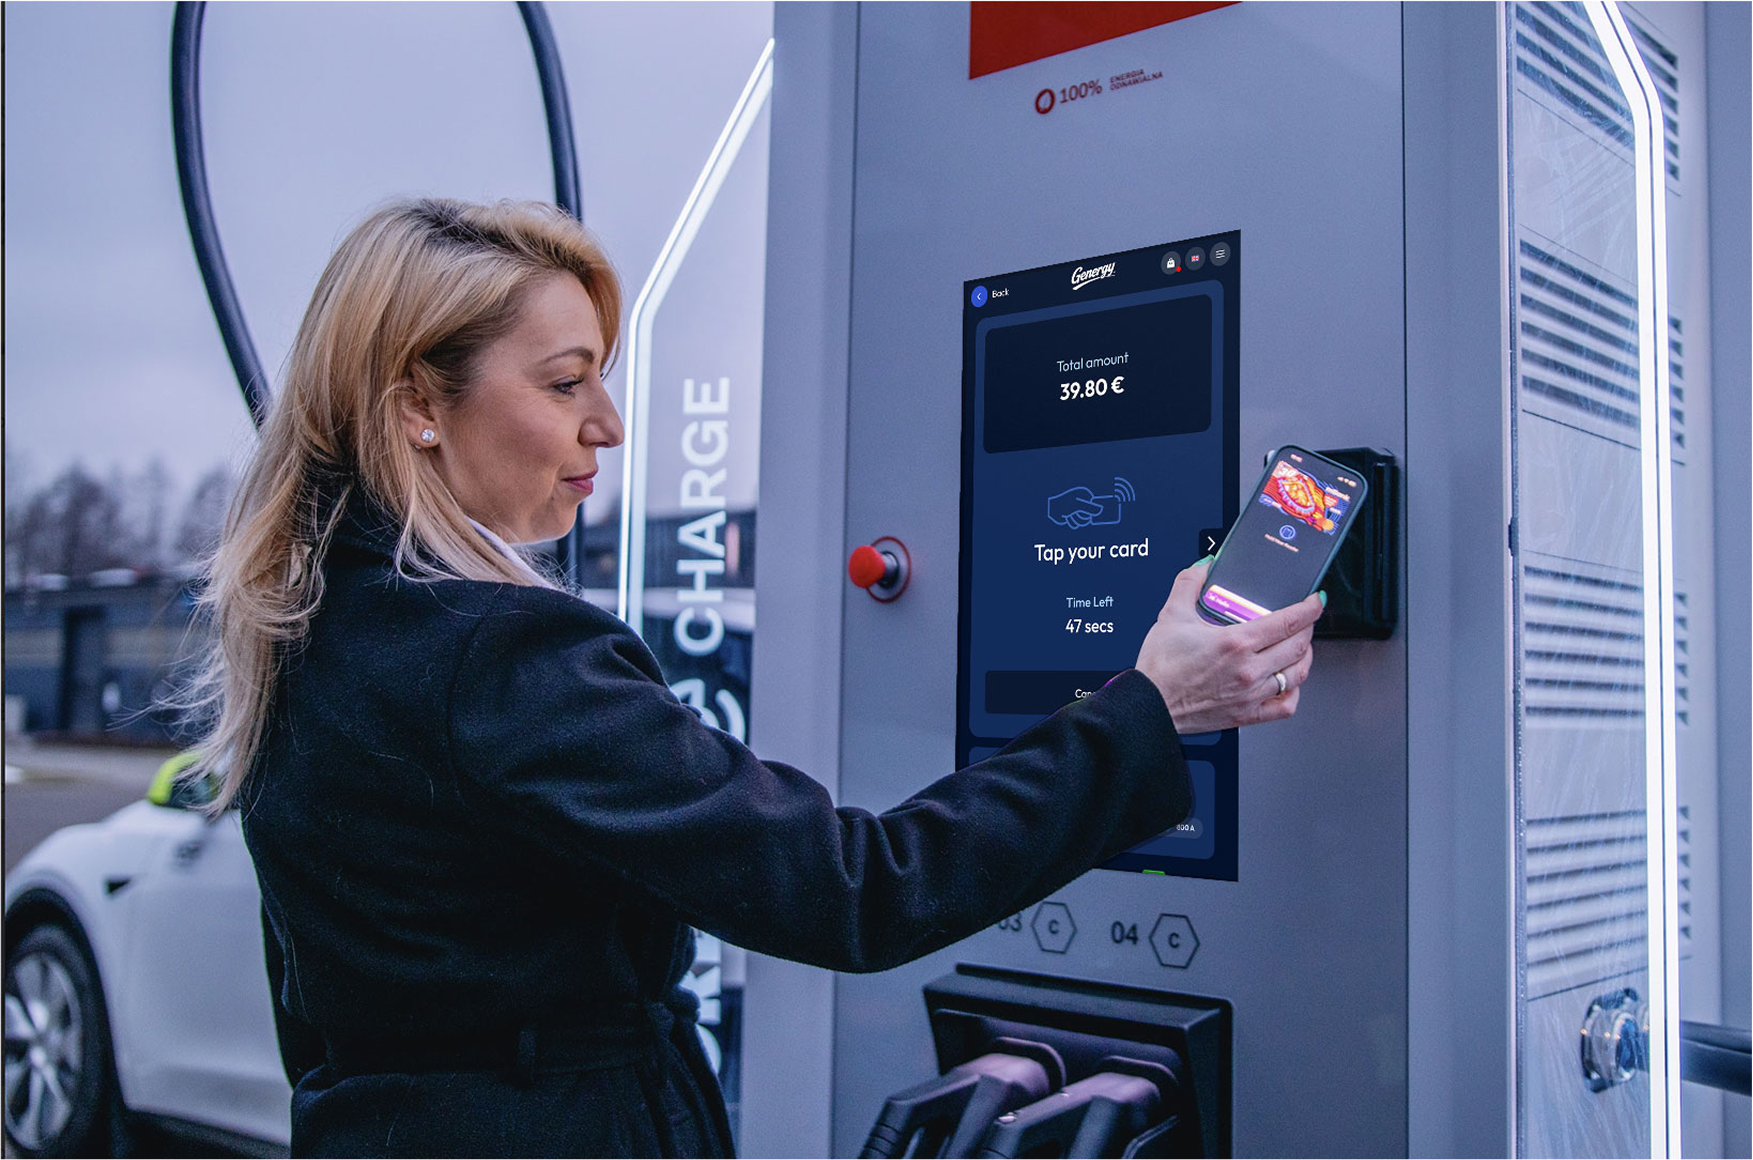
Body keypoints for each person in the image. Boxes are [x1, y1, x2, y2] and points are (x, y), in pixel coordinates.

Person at [183, 197, 1321, 1159]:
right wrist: (1153, 707)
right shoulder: (498, 654)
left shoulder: (308, 635)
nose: (608, 424)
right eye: (566, 383)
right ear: (417, 408)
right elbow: (857, 887)